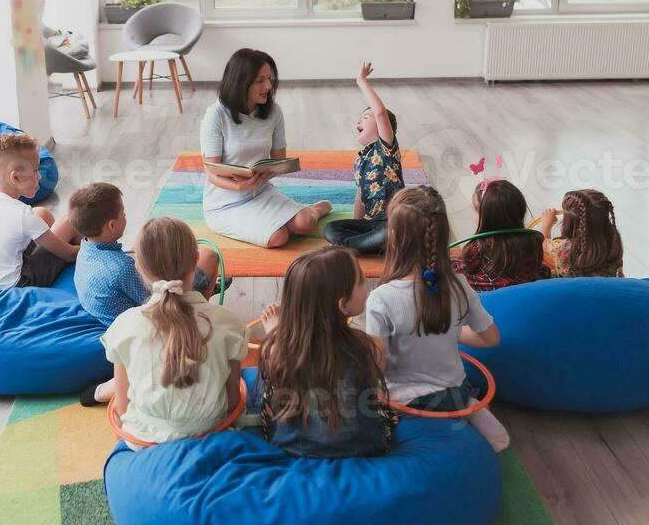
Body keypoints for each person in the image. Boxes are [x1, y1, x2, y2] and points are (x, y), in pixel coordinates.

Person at [363, 186, 510, 451]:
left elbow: (377, 365)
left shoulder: (381, 298)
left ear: (393, 237)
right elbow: (492, 338)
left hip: (405, 402)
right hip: (453, 392)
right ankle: (470, 409)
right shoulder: (460, 286)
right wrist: (452, 331)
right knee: (460, 392)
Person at [69, 182, 229, 406]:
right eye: (123, 212)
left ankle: (102, 390)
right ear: (112, 225)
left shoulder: (86, 248)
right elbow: (157, 294)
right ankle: (199, 306)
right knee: (209, 257)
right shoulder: (123, 269)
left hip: (108, 315)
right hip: (152, 315)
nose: (126, 214)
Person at [102, 216, 249, 448]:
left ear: (138, 266)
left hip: (145, 443)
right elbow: (232, 400)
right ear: (196, 261)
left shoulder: (124, 326)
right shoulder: (229, 323)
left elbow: (123, 408)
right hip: (213, 435)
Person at [257, 247, 396, 457]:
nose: (366, 280)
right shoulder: (370, 346)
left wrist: (276, 332)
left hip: (294, 448)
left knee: (274, 382)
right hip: (363, 447)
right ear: (343, 305)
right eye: (360, 279)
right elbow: (379, 372)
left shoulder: (277, 350)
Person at [200, 48, 331, 249]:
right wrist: (239, 186)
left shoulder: (273, 112)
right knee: (278, 237)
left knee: (306, 223)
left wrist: (263, 176)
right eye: (260, 81)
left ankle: (315, 210)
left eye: (269, 79)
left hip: (260, 191)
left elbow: (278, 159)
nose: (268, 86)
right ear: (241, 82)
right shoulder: (216, 115)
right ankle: (283, 220)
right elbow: (212, 173)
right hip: (224, 204)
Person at [0, 132, 78, 288]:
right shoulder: (22, 215)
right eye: (36, 170)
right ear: (16, 177)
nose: (40, 177)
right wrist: (90, 247)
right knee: (69, 221)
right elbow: (69, 254)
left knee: (41, 214)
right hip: (18, 285)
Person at [323, 62, 404, 255]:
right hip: (370, 224)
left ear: (383, 127)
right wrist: (356, 223)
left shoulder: (386, 149)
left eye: (366, 118)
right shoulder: (360, 161)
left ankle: (354, 246)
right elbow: (360, 196)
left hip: (393, 222)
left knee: (389, 234)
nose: (359, 121)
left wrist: (361, 81)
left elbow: (380, 112)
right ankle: (358, 245)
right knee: (330, 229)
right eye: (360, 118)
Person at [453, 179, 551, 292]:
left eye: (475, 211)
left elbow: (462, 272)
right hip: (527, 297)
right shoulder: (532, 242)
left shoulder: (476, 248)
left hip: (491, 303)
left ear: (484, 217)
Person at [535, 189, 624, 278]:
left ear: (568, 222)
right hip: (605, 289)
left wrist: (547, 223)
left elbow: (541, 242)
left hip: (570, 290)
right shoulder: (614, 241)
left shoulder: (563, 247)